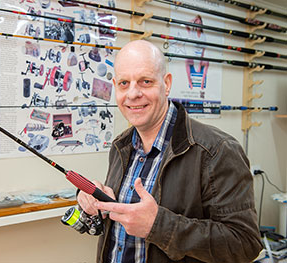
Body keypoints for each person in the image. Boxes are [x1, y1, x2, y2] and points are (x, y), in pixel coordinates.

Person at [77, 40, 262, 263]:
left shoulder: (216, 150)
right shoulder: (121, 146)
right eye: (124, 83)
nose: (133, 94)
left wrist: (159, 226)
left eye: (145, 81)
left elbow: (245, 243)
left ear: (166, 84)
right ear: (115, 86)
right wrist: (94, 202)